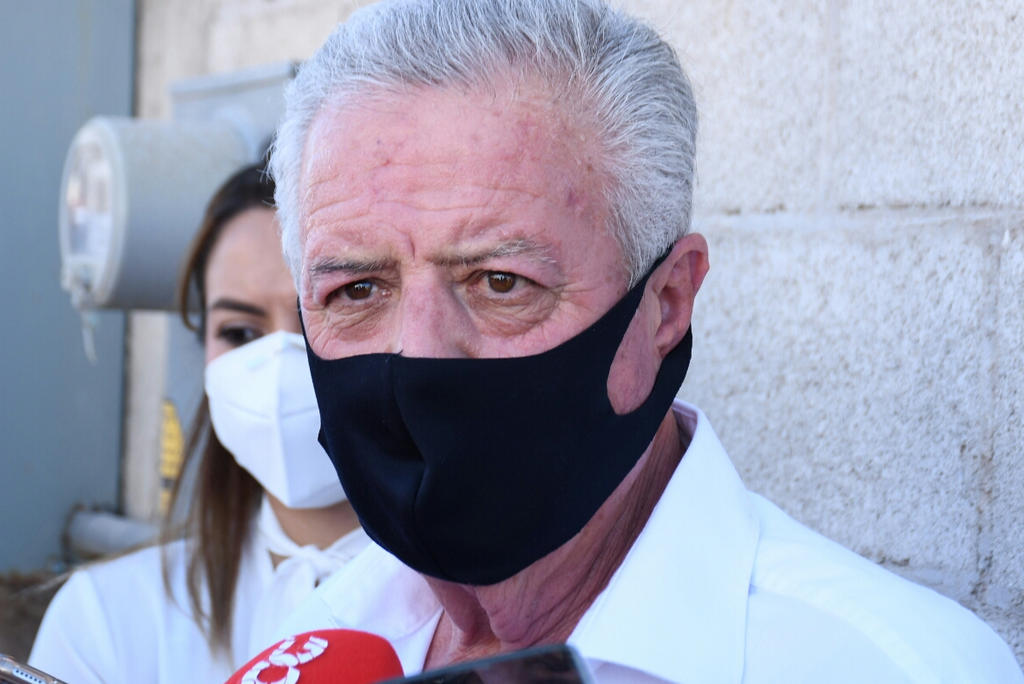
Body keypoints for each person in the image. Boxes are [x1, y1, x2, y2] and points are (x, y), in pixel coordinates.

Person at [265, 0, 1024, 682]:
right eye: (357, 291)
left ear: (666, 305)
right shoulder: (305, 645)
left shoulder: (889, 668)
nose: (419, 355)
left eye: (500, 282)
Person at [29, 163, 370, 683]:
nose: (280, 363)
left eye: (316, 316)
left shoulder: (485, 618)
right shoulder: (104, 621)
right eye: (239, 332)